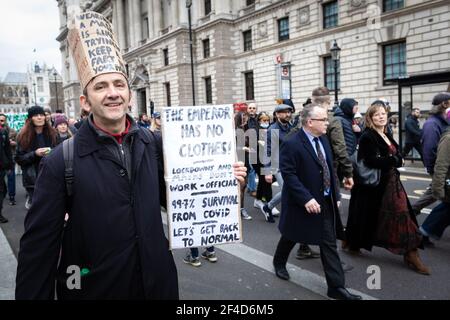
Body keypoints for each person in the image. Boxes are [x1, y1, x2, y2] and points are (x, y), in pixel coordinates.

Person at [15, 12, 246, 300]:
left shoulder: (155, 143)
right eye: (101, 86)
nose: (112, 93)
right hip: (93, 288)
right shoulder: (61, 161)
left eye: (119, 84)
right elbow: (38, 250)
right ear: (85, 103)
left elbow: (180, 201)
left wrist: (226, 184)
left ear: (130, 95)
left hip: (158, 285)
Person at [272, 104, 361, 300]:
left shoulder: (324, 140)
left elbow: (329, 169)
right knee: (291, 235)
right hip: (301, 202)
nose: (328, 123)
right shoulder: (291, 142)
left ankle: (336, 288)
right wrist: (306, 198)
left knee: (328, 243)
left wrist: (335, 194)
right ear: (310, 122)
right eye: (324, 120)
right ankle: (279, 262)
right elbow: (289, 175)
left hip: (324, 201)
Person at [345, 101, 430, 275]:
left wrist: (396, 158)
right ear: (370, 118)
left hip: (391, 182)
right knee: (380, 216)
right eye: (376, 114)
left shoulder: (386, 132)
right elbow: (371, 161)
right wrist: (395, 160)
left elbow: (396, 153)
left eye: (383, 113)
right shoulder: (367, 136)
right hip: (375, 184)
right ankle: (408, 253)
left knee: (402, 215)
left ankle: (411, 252)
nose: (381, 116)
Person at [412, 93, 450, 216]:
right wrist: (435, 172)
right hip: (440, 169)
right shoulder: (432, 124)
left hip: (444, 169)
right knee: (442, 197)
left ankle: (411, 213)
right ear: (444, 104)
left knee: (434, 193)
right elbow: (429, 151)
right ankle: (411, 217)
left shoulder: (444, 121)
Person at [15, 106, 57, 210]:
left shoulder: (53, 133)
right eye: (36, 115)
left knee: (52, 208)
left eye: (41, 115)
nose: (39, 117)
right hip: (33, 180)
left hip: (52, 177)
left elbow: (60, 152)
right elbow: (19, 159)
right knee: (37, 210)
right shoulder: (22, 136)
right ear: (30, 119)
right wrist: (35, 154)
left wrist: (53, 152)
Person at [260, 104, 293, 222]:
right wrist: (268, 171)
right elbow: (268, 151)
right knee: (288, 189)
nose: (288, 114)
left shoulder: (292, 127)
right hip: (277, 164)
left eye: (289, 112)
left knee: (292, 189)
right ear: (277, 114)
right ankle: (268, 207)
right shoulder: (273, 129)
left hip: (291, 164)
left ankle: (268, 207)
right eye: (284, 112)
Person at [419, 125, 450, 243]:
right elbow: (441, 166)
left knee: (446, 210)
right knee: (445, 209)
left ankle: (425, 232)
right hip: (447, 182)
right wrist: (438, 188)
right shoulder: (448, 139)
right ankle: (423, 233)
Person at [0, 114, 17, 205]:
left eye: (3, 120)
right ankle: (4, 191)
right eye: (0, 120)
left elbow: (18, 142)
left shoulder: (12, 132)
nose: (1, 122)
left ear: (6, 121)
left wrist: (13, 143)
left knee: (11, 178)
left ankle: (12, 197)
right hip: (1, 160)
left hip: (10, 157)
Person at [0, 117, 13, 223]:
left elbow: (7, 149)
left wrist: (9, 165)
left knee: (3, 190)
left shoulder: (3, 131)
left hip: (2, 166)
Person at [246, 103, 258, 197]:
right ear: (247, 109)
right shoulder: (245, 120)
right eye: (250, 108)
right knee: (251, 169)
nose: (252, 109)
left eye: (253, 108)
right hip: (249, 147)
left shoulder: (259, 118)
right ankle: (252, 189)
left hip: (259, 146)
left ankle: (250, 187)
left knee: (255, 168)